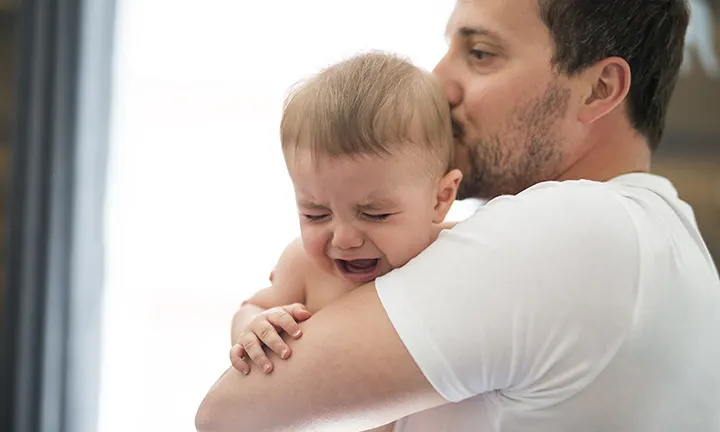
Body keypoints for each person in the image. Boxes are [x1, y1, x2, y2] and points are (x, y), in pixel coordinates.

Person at [196, 0, 720, 431]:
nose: (439, 80)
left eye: (481, 54)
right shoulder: (668, 243)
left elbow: (230, 410)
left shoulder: (574, 227)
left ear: (599, 88)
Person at [227, 51, 461, 384]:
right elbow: (251, 307)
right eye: (315, 214)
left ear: (441, 198)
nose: (344, 239)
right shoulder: (303, 266)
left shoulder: (456, 254)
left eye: (374, 214)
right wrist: (253, 326)